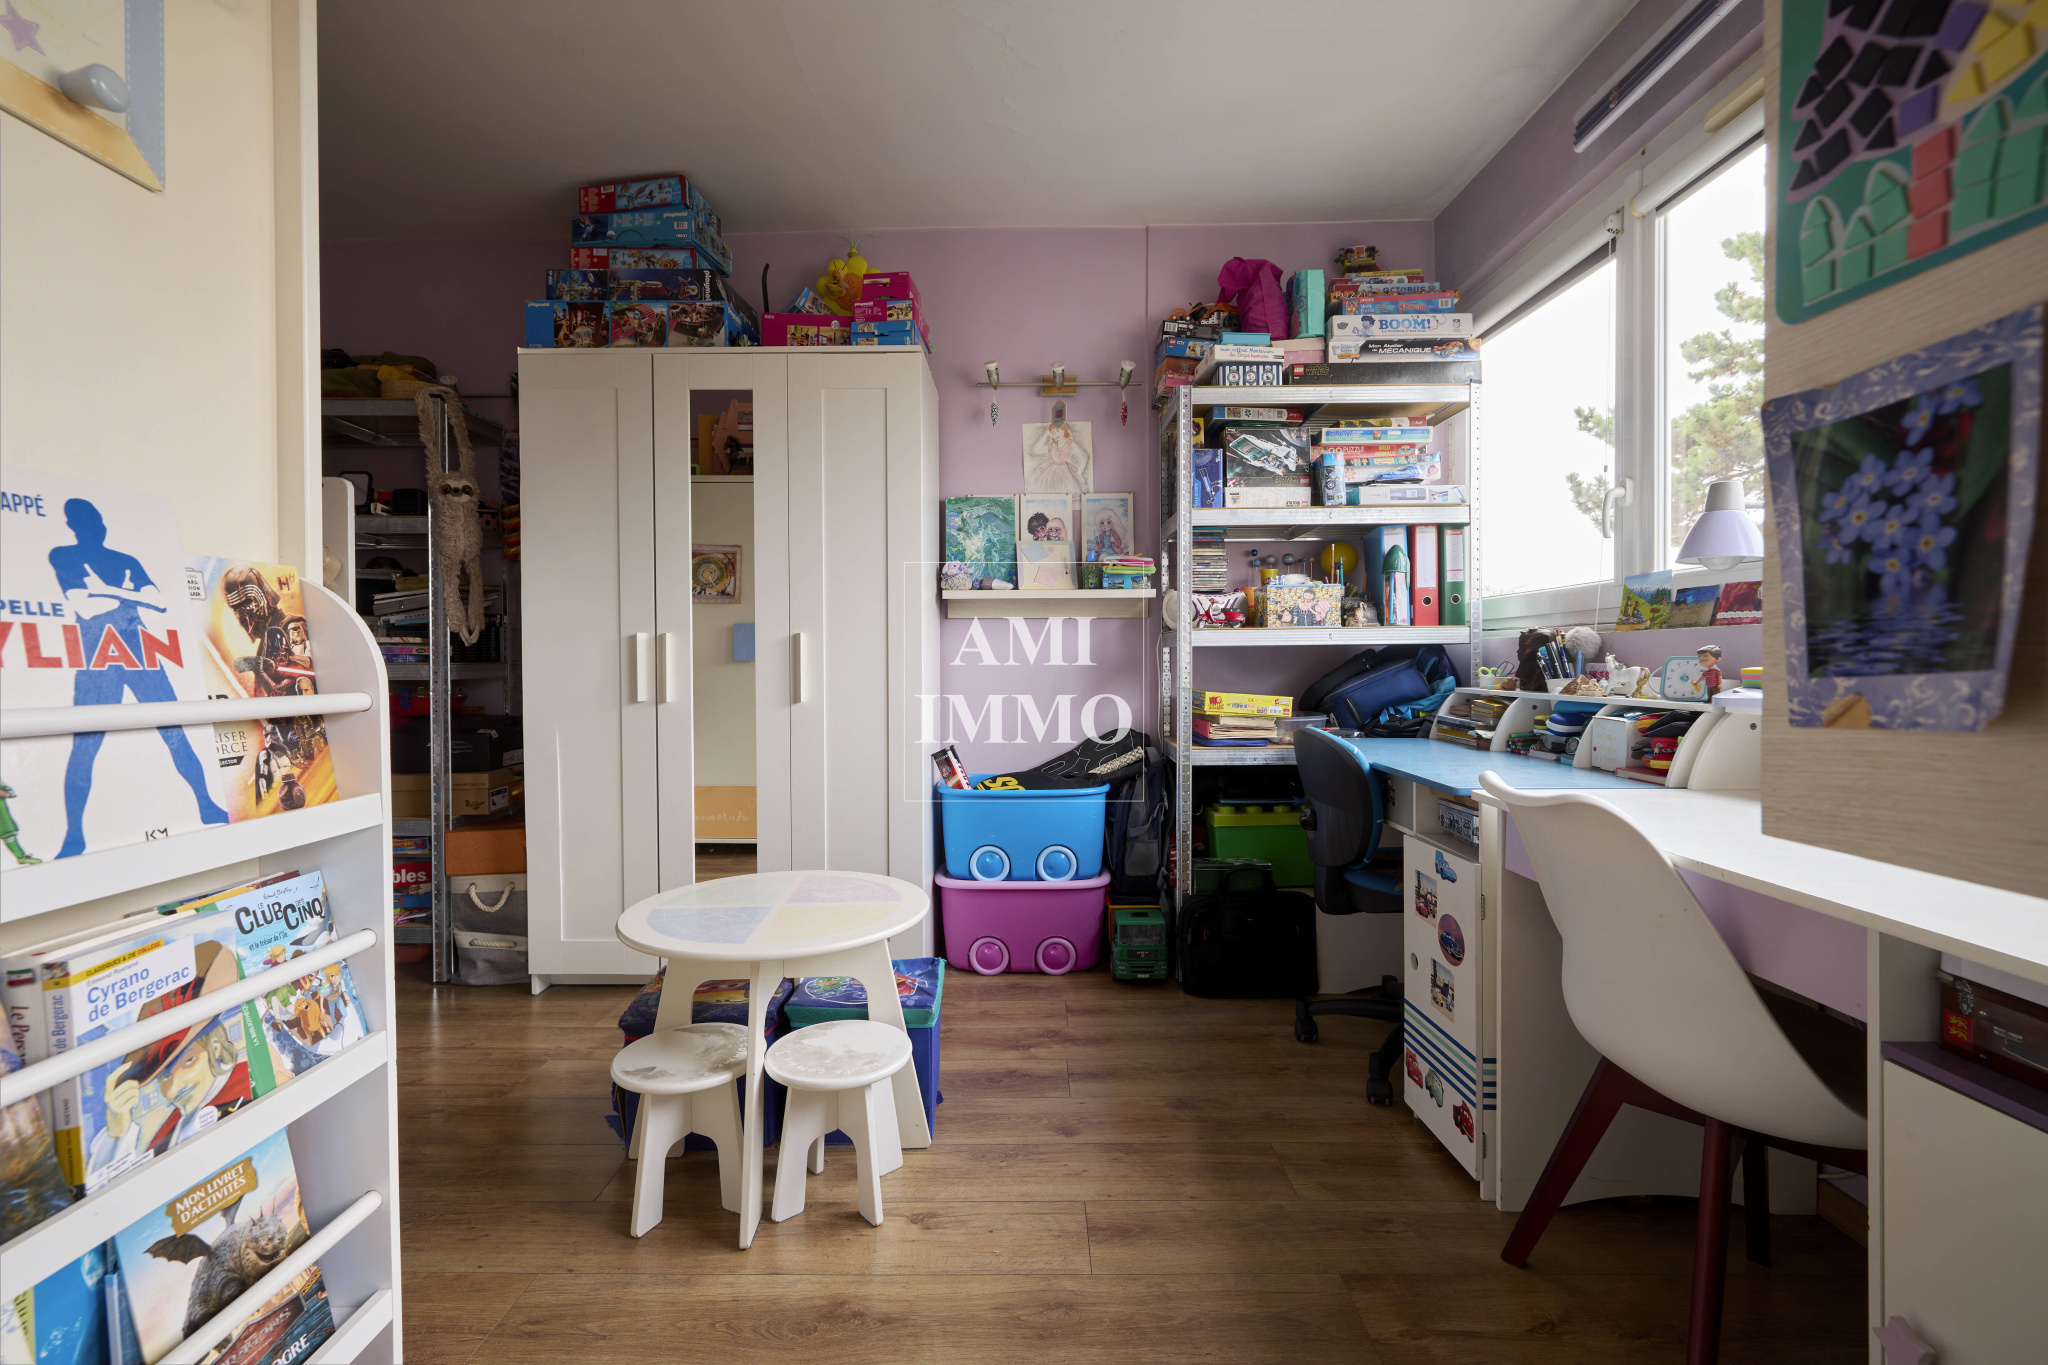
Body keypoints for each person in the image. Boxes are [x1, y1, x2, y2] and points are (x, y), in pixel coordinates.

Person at [50, 498, 228, 857]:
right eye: (86, 521)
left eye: (97, 520)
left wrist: (104, 589)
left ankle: (207, 806)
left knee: (175, 733)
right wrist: (130, 596)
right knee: (86, 744)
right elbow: (86, 606)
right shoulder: (63, 555)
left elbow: (160, 601)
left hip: (140, 653)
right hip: (98, 656)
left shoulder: (125, 560)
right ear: (72, 525)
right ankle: (74, 835)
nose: (95, 527)